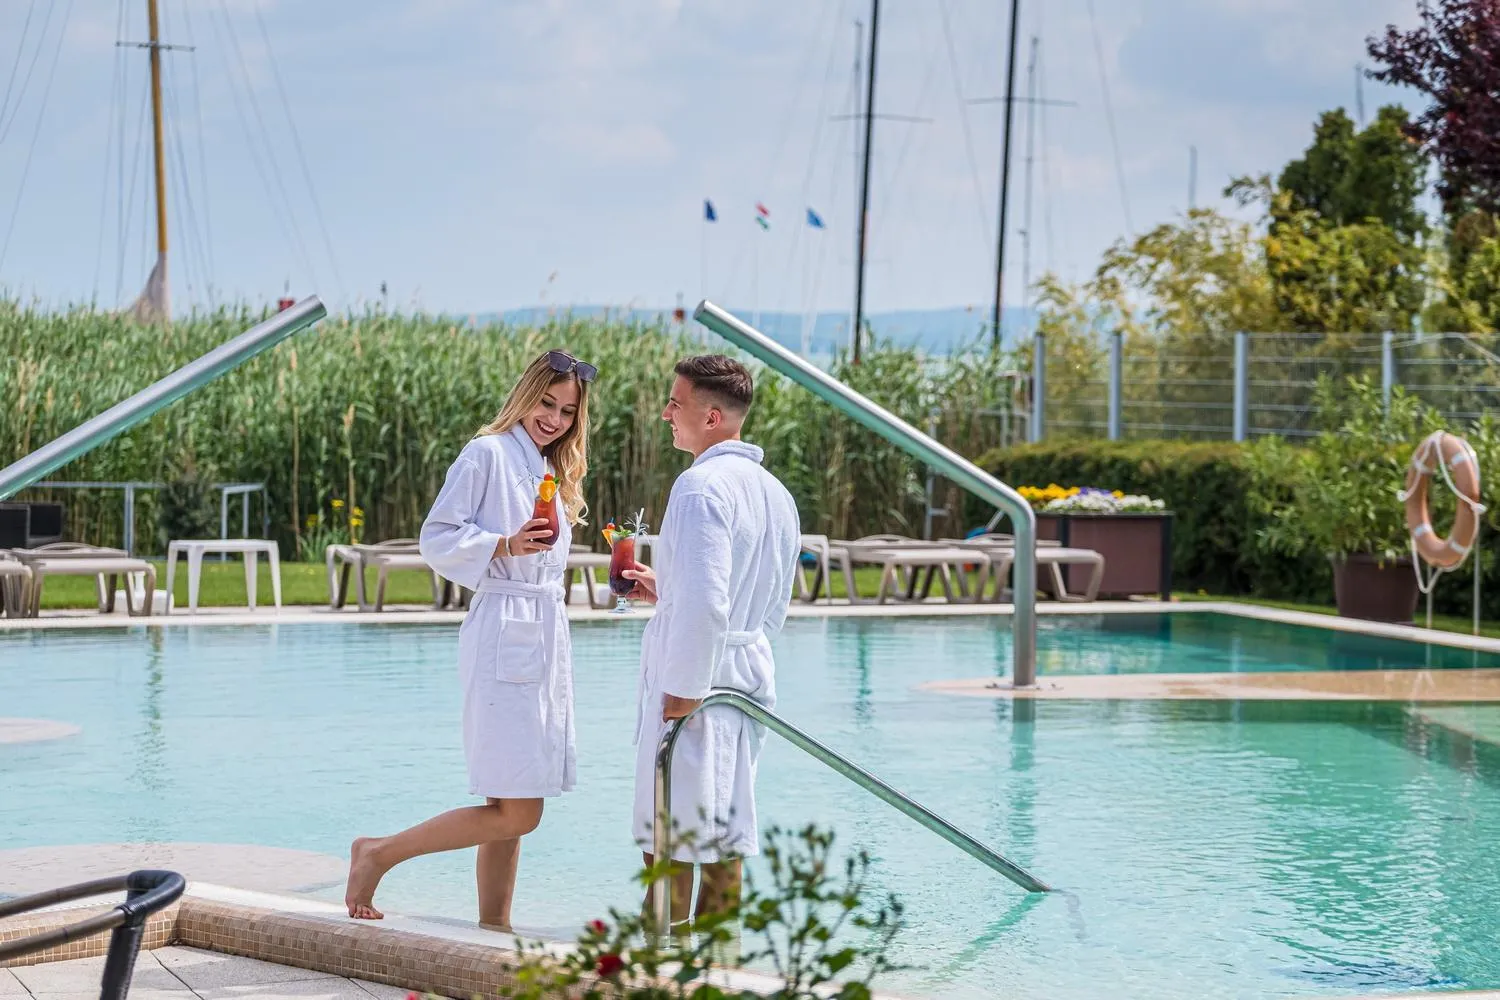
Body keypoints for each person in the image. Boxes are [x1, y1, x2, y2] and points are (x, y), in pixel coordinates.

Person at [344, 349, 597, 927]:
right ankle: (378, 853)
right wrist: (503, 544)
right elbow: (435, 538)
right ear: (525, 394)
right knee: (520, 812)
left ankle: (494, 928)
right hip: (505, 630)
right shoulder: (487, 453)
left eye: (566, 411)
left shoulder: (547, 467)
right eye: (546, 403)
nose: (554, 419)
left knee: (507, 800)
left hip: (538, 635)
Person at [623, 354, 801, 926]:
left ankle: (661, 967)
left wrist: (684, 686)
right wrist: (668, 590)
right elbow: (770, 600)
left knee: (671, 834)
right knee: (727, 831)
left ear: (714, 416)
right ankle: (720, 965)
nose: (666, 413)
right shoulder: (776, 493)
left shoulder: (700, 487)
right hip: (748, 672)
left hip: (698, 682)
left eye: (677, 403)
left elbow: (707, 603)